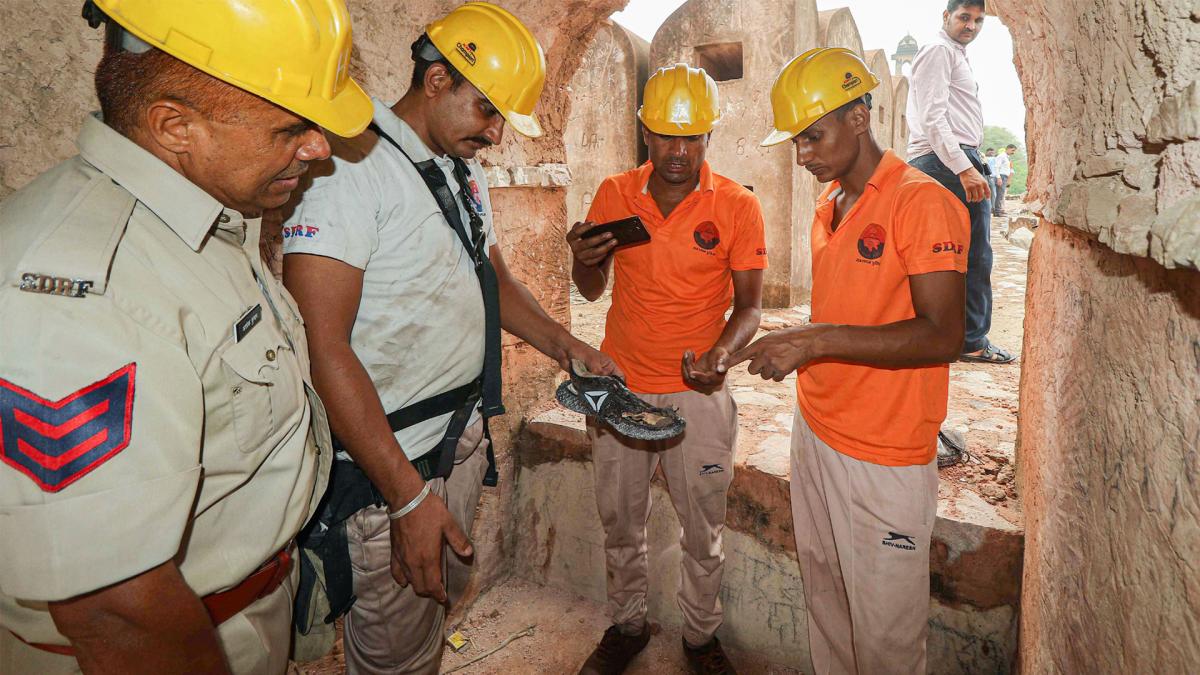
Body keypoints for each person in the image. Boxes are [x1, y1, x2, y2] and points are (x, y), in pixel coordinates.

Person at [0, 1, 372, 673]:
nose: (319, 147)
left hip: (240, 614)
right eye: (292, 128)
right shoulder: (83, 295)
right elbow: (116, 609)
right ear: (176, 126)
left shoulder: (196, 216)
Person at [279, 4, 617, 673]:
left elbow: (487, 274)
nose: (495, 134)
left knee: (431, 615)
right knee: (397, 652)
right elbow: (323, 347)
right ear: (436, 81)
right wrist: (406, 498)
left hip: (452, 441)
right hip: (391, 462)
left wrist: (562, 343)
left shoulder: (459, 168)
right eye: (487, 111)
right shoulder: (351, 163)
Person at [747, 47, 969, 674]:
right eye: (795, 141)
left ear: (861, 117)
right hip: (817, 430)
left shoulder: (920, 201)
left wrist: (814, 341)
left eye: (812, 136)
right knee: (829, 605)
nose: (802, 155)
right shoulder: (829, 208)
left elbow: (942, 334)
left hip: (885, 452)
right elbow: (857, 314)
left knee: (887, 640)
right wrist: (797, 339)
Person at [568, 63, 767, 675]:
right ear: (645, 131)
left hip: (697, 396)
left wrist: (721, 354)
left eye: (693, 137)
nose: (678, 151)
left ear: (709, 136)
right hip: (621, 391)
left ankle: (700, 639)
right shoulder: (614, 194)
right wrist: (583, 258)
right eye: (665, 136)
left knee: (703, 526)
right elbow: (591, 287)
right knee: (621, 523)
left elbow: (750, 306)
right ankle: (627, 626)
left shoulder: (736, 205)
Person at [906, 0, 1014, 365]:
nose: (971, 26)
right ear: (946, 16)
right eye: (965, 17)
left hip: (948, 159)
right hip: (947, 161)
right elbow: (933, 117)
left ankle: (948, 332)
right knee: (975, 254)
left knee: (951, 254)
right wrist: (964, 169)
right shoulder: (938, 50)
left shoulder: (954, 54)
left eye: (979, 20)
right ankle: (971, 340)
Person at [993, 143, 1015, 215]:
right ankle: (997, 212)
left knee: (1001, 194)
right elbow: (996, 167)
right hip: (1001, 176)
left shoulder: (1007, 157)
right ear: (1008, 149)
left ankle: (999, 210)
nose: (1013, 152)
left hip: (1004, 177)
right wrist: (998, 178)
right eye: (1012, 150)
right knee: (1000, 194)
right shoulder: (1001, 156)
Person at [984, 147, 1000, 212]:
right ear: (987, 152)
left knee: (993, 193)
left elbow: (997, 168)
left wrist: (998, 177)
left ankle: (992, 207)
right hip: (985, 176)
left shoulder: (995, 159)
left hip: (992, 177)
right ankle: (989, 207)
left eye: (992, 152)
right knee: (988, 192)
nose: (991, 153)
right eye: (990, 152)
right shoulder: (983, 157)